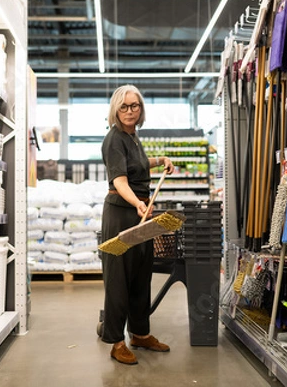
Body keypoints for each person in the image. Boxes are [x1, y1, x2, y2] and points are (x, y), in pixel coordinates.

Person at [100, 84, 174, 365]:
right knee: (119, 280)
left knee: (142, 274)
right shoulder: (114, 139)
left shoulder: (133, 137)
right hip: (122, 213)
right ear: (115, 110)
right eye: (124, 107)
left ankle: (140, 333)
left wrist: (160, 160)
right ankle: (116, 341)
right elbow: (120, 180)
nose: (130, 111)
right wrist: (137, 203)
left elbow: (138, 165)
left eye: (135, 106)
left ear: (141, 109)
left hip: (139, 210)